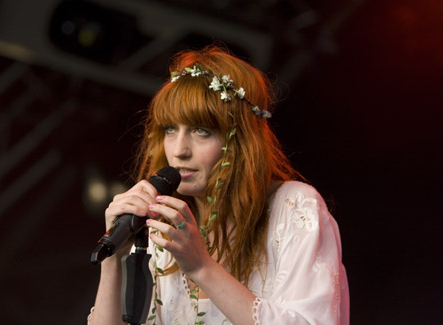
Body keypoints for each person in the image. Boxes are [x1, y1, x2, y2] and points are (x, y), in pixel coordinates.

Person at [88, 45, 349, 324]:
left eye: (201, 131)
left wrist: (202, 267)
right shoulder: (161, 226)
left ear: (240, 142)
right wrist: (112, 260)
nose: (179, 150)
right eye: (170, 129)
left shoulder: (294, 207)